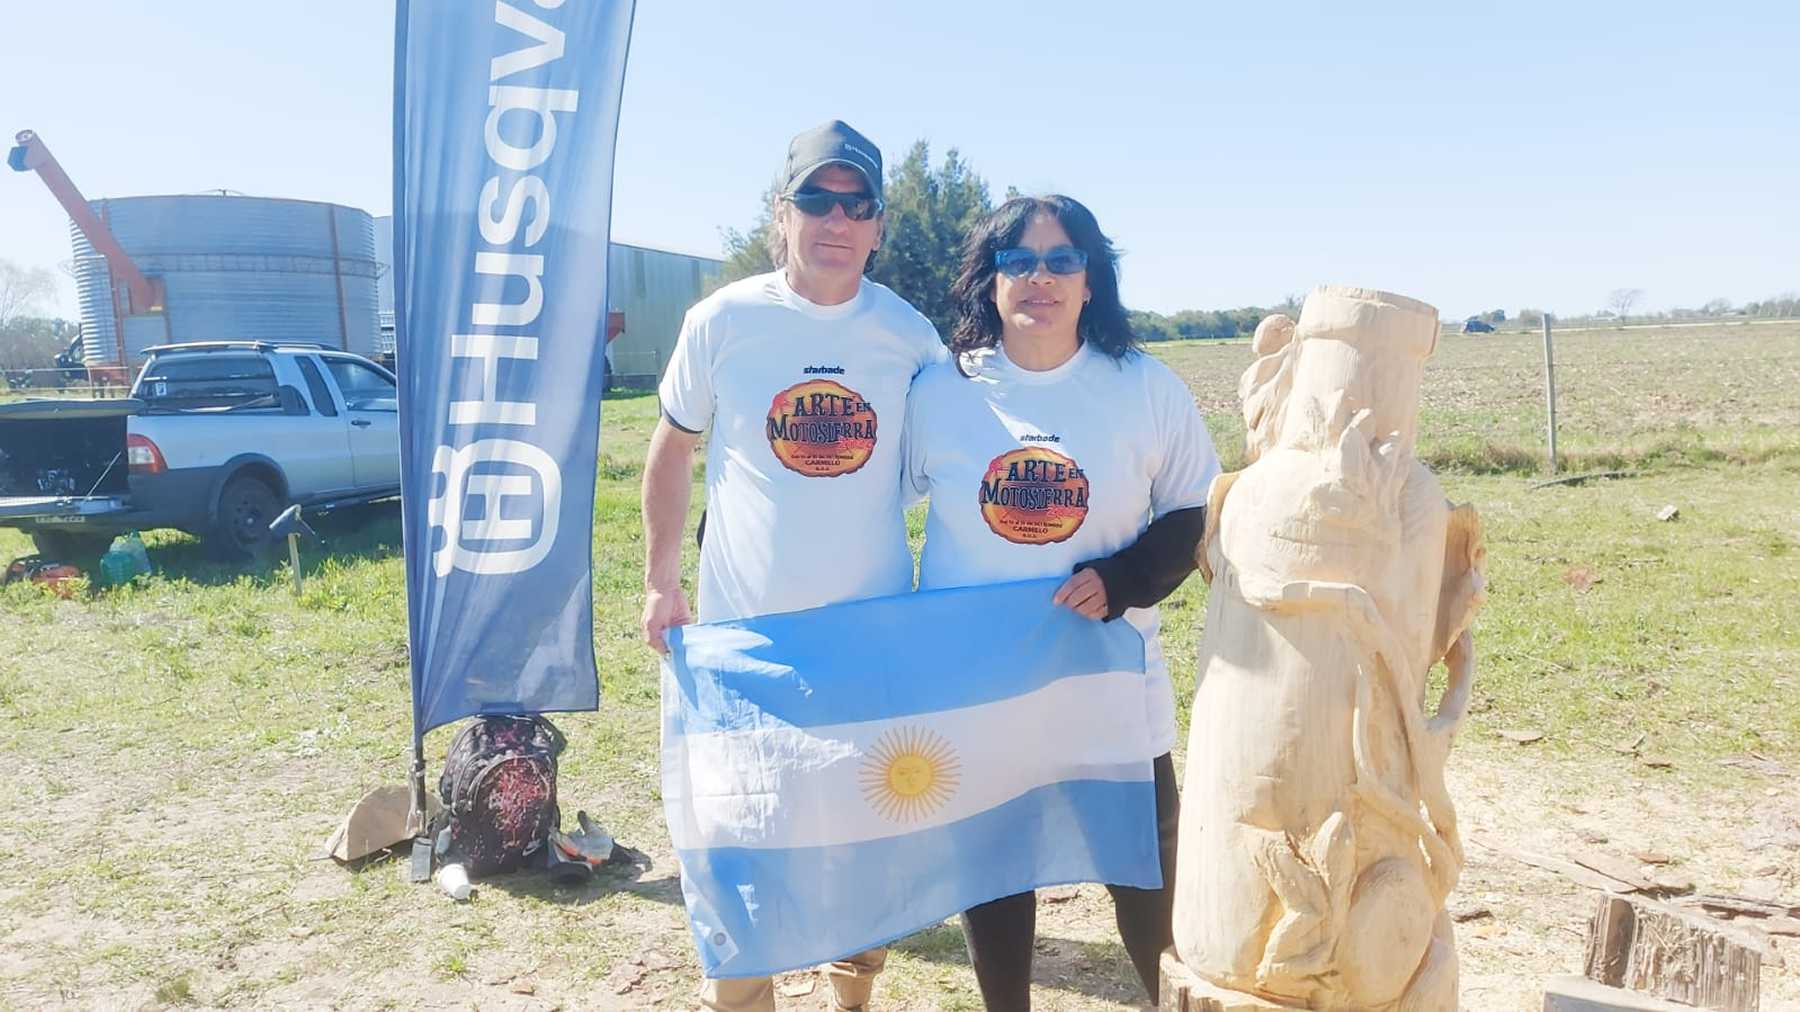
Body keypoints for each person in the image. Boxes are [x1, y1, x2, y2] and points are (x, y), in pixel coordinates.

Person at [640, 120, 946, 1012]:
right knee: (740, 836)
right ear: (783, 213)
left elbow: (956, 459)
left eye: (857, 205)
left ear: (880, 225)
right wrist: (662, 577)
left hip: (868, 640)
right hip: (744, 641)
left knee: (860, 837)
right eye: (817, 200)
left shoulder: (909, 335)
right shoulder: (724, 320)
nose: (836, 220)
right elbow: (671, 446)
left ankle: (854, 996)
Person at [901, 194, 1220, 1010]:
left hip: (1107, 684)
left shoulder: (1144, 387)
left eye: (1061, 260)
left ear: (1090, 279)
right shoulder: (939, 389)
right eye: (1017, 262)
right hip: (979, 686)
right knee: (996, 865)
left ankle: (1170, 996)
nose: (1038, 278)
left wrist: (1125, 580)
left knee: (1146, 865)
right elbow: (865, 498)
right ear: (990, 281)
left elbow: (1195, 510)